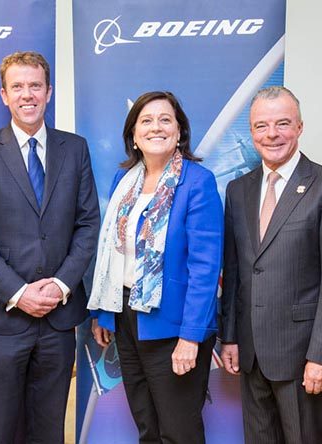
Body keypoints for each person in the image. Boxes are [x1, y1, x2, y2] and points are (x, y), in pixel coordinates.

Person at [0, 51, 100, 443]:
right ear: (3, 95)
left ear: (49, 92)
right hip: (2, 319)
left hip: (58, 319)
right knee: (1, 430)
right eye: (17, 87)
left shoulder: (75, 149)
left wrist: (60, 286)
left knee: (49, 430)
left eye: (35, 86)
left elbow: (88, 223)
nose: (27, 94)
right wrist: (18, 293)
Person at [218, 86, 322, 444]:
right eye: (261, 126)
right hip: (251, 354)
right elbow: (234, 272)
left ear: (300, 127)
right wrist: (230, 336)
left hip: (302, 356)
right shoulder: (238, 190)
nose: (272, 134)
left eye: (282, 123)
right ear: (251, 133)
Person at [88, 91, 223, 443]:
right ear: (133, 134)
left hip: (175, 325)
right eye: (146, 121)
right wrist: (105, 315)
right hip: (128, 318)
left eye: (166, 120)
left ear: (180, 132)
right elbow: (115, 255)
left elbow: (205, 269)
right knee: (146, 426)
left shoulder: (197, 182)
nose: (156, 128)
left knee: (179, 431)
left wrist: (190, 337)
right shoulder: (124, 183)